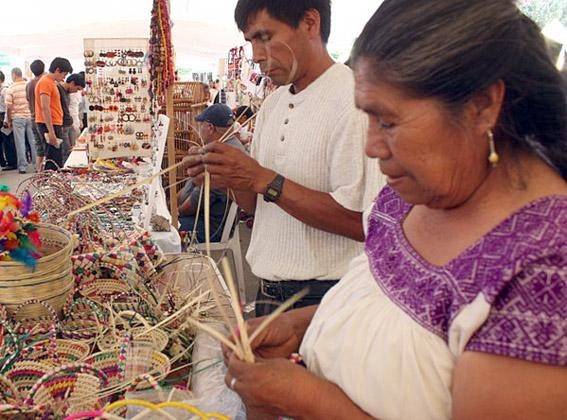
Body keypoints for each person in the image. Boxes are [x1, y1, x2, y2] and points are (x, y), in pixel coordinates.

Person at [222, 1, 567, 419]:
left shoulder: (546, 269)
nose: (371, 147)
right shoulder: (409, 195)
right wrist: (300, 325)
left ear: (482, 105)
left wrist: (308, 400)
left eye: (387, 121)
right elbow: (389, 305)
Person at [186, 0, 380, 316]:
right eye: (250, 41)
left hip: (325, 301)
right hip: (268, 292)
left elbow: (366, 223)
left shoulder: (354, 102)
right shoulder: (273, 105)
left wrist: (264, 179)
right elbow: (255, 206)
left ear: (310, 23)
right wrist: (222, 175)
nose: (256, 55)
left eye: (265, 37)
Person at [178, 104, 246, 242]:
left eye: (200, 125)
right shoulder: (228, 146)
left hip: (209, 227)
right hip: (204, 218)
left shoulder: (221, 157)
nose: (199, 129)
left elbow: (192, 205)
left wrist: (175, 212)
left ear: (210, 127)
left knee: (161, 234)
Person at [35, 57, 73, 171]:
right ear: (57, 70)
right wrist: (51, 132)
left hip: (53, 123)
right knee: (53, 160)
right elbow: (45, 107)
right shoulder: (45, 82)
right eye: (64, 74)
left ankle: (51, 180)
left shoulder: (51, 82)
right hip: (49, 124)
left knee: (55, 158)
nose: (64, 78)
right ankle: (49, 181)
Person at [5, 67, 36, 174]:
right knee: (33, 141)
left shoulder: (11, 88)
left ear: (13, 75)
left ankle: (22, 166)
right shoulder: (28, 85)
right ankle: (37, 164)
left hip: (18, 118)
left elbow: (8, 106)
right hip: (30, 117)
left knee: (20, 143)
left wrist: (9, 120)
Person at [57, 73, 85, 162]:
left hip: (67, 124)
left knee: (69, 149)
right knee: (66, 151)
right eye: (77, 89)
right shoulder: (59, 90)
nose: (76, 92)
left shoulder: (66, 92)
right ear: (72, 83)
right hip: (61, 126)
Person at [26, 59, 46, 172]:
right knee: (47, 147)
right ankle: (46, 172)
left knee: (39, 148)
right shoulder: (44, 82)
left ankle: (38, 172)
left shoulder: (29, 84)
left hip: (33, 117)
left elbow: (28, 100)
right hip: (43, 119)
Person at [0, 71, 17, 171]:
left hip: (4, 117)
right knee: (4, 140)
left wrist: (7, 120)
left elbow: (8, 107)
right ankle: (4, 162)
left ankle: (12, 162)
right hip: (2, 116)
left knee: (8, 141)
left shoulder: (5, 90)